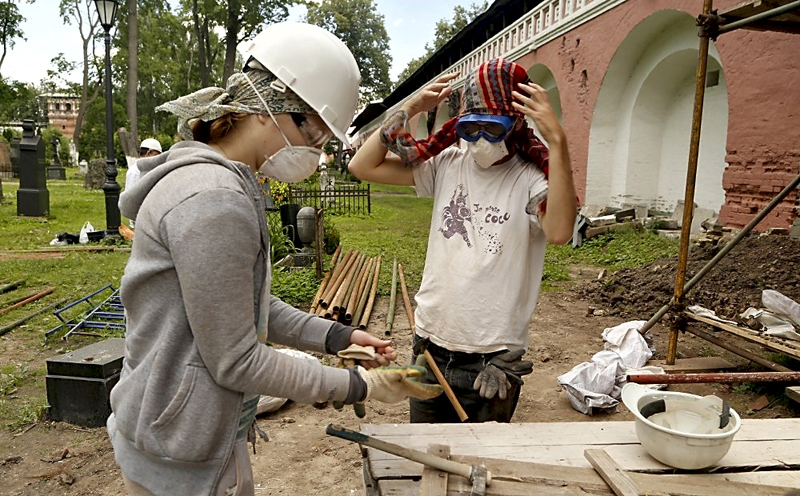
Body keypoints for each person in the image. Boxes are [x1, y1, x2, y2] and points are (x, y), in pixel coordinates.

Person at [108, 22, 441, 496]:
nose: (316, 151)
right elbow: (238, 361)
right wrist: (361, 386)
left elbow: (246, 305)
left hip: (182, 426)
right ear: (268, 107)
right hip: (180, 452)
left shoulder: (221, 181)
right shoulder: (212, 200)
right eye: (316, 134)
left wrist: (336, 335)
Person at [348, 58, 578, 423]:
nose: (480, 141)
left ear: (516, 121)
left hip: (493, 359)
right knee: (427, 455)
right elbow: (362, 167)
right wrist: (408, 108)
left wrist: (558, 140)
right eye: (471, 129)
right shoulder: (447, 163)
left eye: (492, 127)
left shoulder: (532, 178)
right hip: (429, 348)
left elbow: (560, 231)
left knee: (478, 466)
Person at [125, 138, 162, 228]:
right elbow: (131, 197)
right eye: (156, 155)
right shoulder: (135, 171)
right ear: (149, 153)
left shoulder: (149, 169)